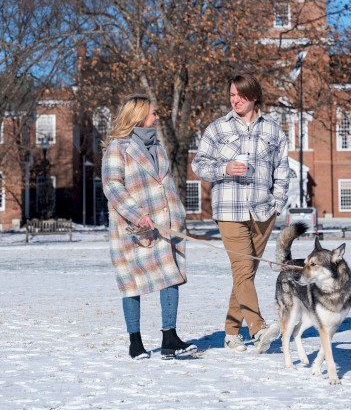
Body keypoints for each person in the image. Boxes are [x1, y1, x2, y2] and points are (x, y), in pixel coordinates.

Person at [192, 73, 289, 353]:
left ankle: (231, 332)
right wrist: (224, 169)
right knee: (243, 270)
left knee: (246, 273)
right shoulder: (217, 129)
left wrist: (277, 203)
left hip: (263, 211)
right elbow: (199, 165)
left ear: (254, 96)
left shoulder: (273, 130)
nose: (235, 100)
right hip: (229, 210)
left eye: (240, 95)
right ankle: (258, 329)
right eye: (232, 95)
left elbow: (283, 171)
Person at [102, 93, 196, 360]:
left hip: (165, 224)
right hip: (135, 228)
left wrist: (176, 213)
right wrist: (137, 215)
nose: (157, 117)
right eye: (153, 113)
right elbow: (113, 187)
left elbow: (163, 183)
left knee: (172, 275)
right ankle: (135, 341)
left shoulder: (158, 146)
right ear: (139, 115)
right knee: (132, 282)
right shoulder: (117, 149)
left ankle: (170, 338)